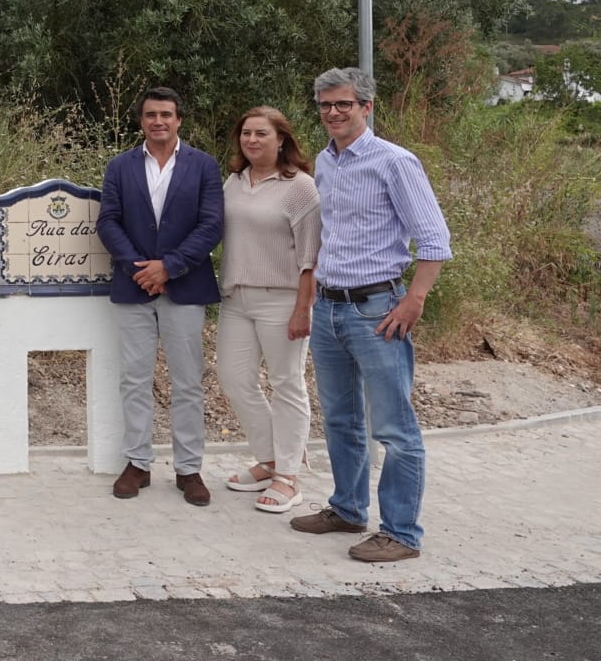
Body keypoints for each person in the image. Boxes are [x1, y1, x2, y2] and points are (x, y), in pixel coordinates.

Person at [290, 68, 450, 563]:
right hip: (330, 308)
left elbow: (435, 240)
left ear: (367, 107)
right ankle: (347, 508)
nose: (332, 113)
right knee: (340, 419)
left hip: (378, 309)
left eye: (343, 104)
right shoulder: (325, 161)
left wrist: (414, 299)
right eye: (324, 105)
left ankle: (401, 533)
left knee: (394, 428)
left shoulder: (395, 162)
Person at [96, 87, 224, 506]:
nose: (158, 121)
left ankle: (189, 469)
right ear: (141, 121)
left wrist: (168, 267)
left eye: (166, 114)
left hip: (185, 286)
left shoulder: (203, 166)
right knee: (134, 378)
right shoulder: (120, 167)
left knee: (187, 382)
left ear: (179, 120)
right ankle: (138, 463)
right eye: (151, 115)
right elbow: (108, 222)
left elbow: (211, 225)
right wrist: (141, 269)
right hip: (134, 287)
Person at [216, 106, 320, 513]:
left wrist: (302, 309)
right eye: (246, 133)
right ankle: (270, 458)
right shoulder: (233, 182)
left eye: (262, 133)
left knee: (286, 382)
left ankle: (289, 477)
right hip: (236, 299)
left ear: (282, 140)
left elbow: (311, 256)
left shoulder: (301, 187)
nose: (252, 140)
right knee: (234, 378)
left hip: (282, 298)